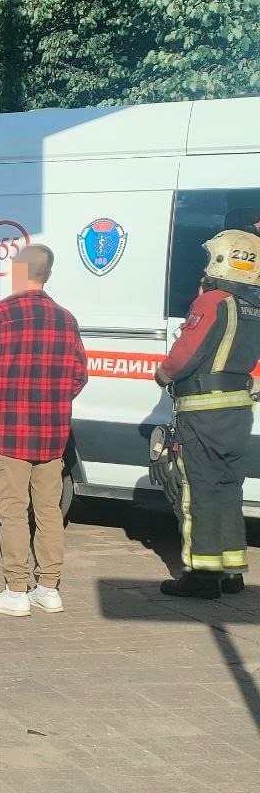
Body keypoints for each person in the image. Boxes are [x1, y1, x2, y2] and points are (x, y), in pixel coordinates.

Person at [0, 244, 88, 618]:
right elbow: (78, 377)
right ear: (48, 275)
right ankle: (49, 588)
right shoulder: (67, 320)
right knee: (49, 512)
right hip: (53, 433)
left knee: (12, 512)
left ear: (16, 272)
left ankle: (15, 590)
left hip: (8, 431)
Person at [156, 230, 260, 599]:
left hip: (203, 413)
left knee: (198, 491)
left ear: (221, 259)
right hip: (237, 411)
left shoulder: (214, 301)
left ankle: (201, 576)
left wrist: (163, 373)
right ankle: (231, 571)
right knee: (229, 489)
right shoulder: (253, 305)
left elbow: (187, 352)